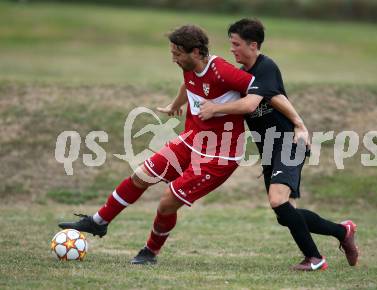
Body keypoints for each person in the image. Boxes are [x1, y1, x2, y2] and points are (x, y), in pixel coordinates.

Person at [59, 24, 257, 265]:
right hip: (192, 139)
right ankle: (98, 222)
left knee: (166, 203)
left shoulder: (223, 71)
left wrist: (221, 109)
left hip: (219, 155)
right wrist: (175, 104)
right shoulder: (191, 67)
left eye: (177, 54)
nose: (173, 59)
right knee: (140, 176)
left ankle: (150, 252)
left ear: (195, 52)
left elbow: (260, 92)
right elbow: (188, 84)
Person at [199, 18, 359, 271]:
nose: (232, 49)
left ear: (253, 45)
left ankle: (315, 259)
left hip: (288, 143)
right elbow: (277, 97)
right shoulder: (241, 75)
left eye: (236, 44)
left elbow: (252, 104)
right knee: (286, 215)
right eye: (231, 44)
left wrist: (216, 109)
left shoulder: (265, 67)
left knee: (278, 201)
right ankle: (343, 231)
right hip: (269, 149)